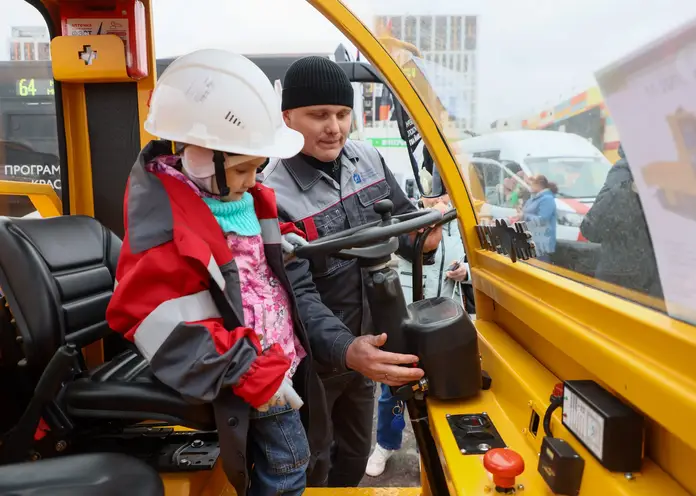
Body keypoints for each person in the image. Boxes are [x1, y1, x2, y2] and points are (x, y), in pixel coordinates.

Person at [106, 49, 362, 496]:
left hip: (279, 355)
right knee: (288, 463)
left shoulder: (239, 197)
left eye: (258, 167)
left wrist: (286, 243)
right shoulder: (165, 229)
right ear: (201, 155)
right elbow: (151, 318)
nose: (253, 180)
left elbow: (255, 258)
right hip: (244, 365)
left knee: (310, 452)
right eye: (243, 168)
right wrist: (246, 371)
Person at [261, 55, 444, 487]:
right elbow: (294, 293)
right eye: (319, 114)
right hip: (315, 360)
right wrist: (346, 348)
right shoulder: (269, 191)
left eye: (343, 114)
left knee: (354, 457)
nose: (335, 127)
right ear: (287, 117)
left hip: (370, 343)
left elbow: (399, 222)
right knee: (312, 463)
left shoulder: (370, 159)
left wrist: (424, 238)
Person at [368, 191, 473, 478]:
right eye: (430, 194)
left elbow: (477, 260)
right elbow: (410, 250)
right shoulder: (408, 222)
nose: (436, 199)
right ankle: (386, 444)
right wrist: (428, 229)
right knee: (394, 388)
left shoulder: (461, 221)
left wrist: (467, 272)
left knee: (440, 390)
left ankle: (429, 451)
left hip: (444, 323)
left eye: (441, 193)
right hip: (406, 318)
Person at [580, 145, 662, 297]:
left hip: (653, 286)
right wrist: (630, 190)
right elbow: (591, 229)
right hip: (620, 283)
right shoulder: (623, 174)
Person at [518, 174, 558, 262]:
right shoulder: (533, 199)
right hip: (530, 240)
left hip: (541, 244)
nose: (529, 186)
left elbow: (542, 220)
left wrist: (524, 215)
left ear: (538, 185)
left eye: (531, 184)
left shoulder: (547, 199)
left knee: (541, 269)